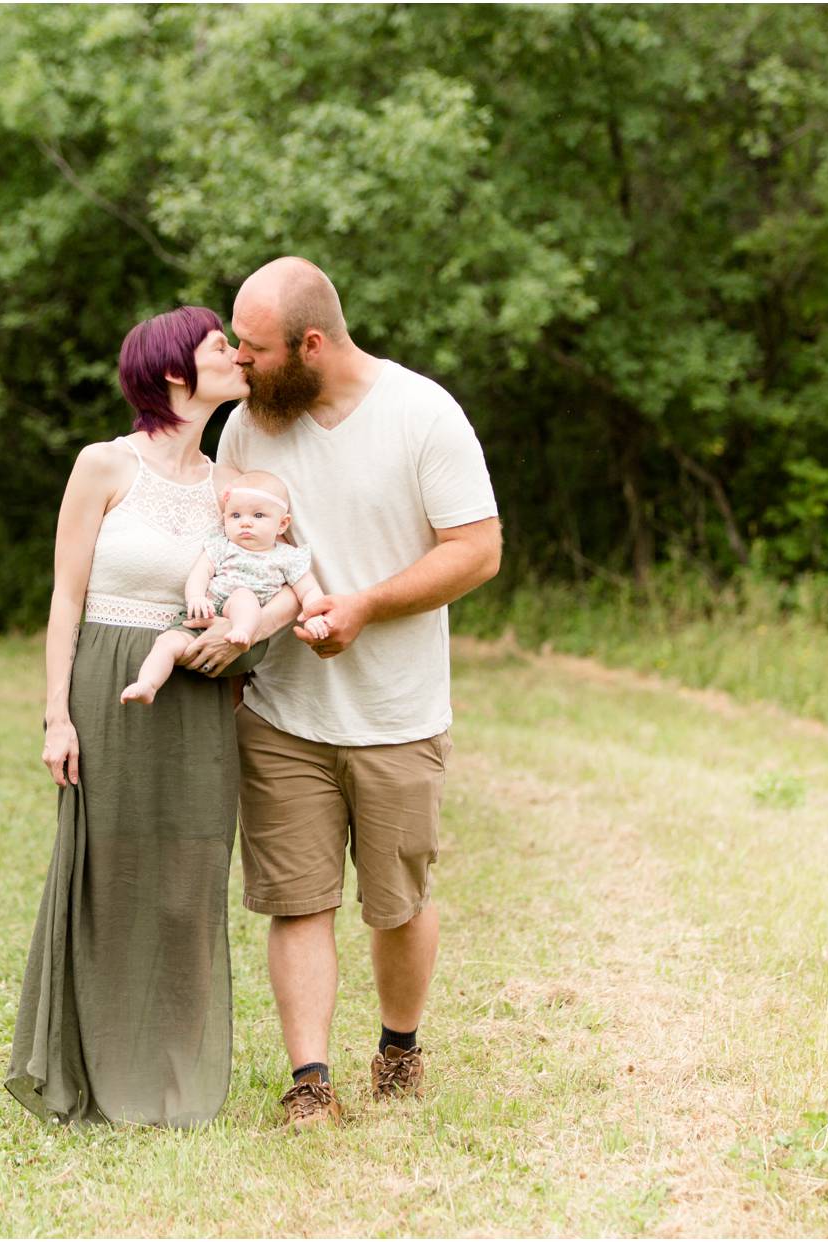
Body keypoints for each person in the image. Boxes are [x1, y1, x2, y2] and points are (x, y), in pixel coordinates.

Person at [184, 256, 503, 1129]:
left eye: (254, 349)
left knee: (397, 902)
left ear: (312, 343)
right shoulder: (247, 429)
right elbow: (214, 540)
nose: (240, 365)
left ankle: (399, 1047)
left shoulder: (421, 413)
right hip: (284, 713)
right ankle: (310, 1080)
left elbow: (477, 549)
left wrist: (363, 604)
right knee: (298, 896)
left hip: (398, 714)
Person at [4, 305, 289, 1127]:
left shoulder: (230, 485)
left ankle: (173, 1080)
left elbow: (273, 578)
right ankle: (95, 1071)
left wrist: (245, 638)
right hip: (107, 685)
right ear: (174, 372)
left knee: (190, 881)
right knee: (109, 875)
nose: (237, 356)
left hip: (198, 695)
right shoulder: (104, 465)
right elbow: (65, 596)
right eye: (218, 348)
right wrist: (56, 714)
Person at [119, 470, 328, 706]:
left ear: (282, 524)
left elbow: (309, 591)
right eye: (236, 515)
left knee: (243, 596)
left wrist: (313, 618)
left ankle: (240, 631)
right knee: (166, 643)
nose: (245, 522)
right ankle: (148, 684)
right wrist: (196, 597)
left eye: (258, 515)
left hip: (247, 638)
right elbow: (200, 574)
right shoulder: (222, 545)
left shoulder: (287, 558)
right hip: (204, 615)